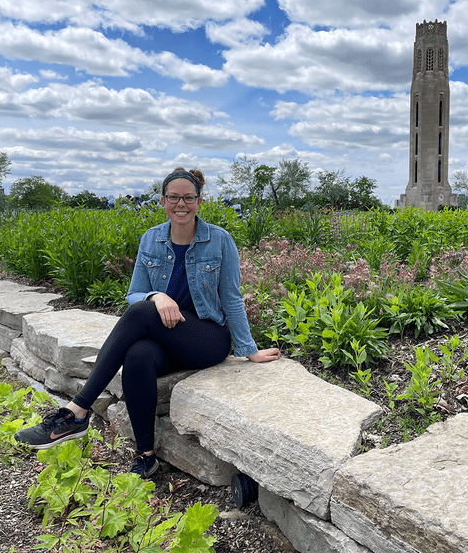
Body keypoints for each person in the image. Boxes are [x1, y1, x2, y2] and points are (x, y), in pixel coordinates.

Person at [14, 167, 281, 479]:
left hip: (207, 338)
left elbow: (232, 298)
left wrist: (249, 350)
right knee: (137, 355)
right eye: (173, 198)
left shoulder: (219, 241)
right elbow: (135, 292)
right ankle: (146, 456)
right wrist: (157, 295)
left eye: (188, 198)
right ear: (163, 200)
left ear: (198, 200)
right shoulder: (151, 239)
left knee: (141, 311)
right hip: (166, 336)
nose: (181, 204)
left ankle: (77, 411)